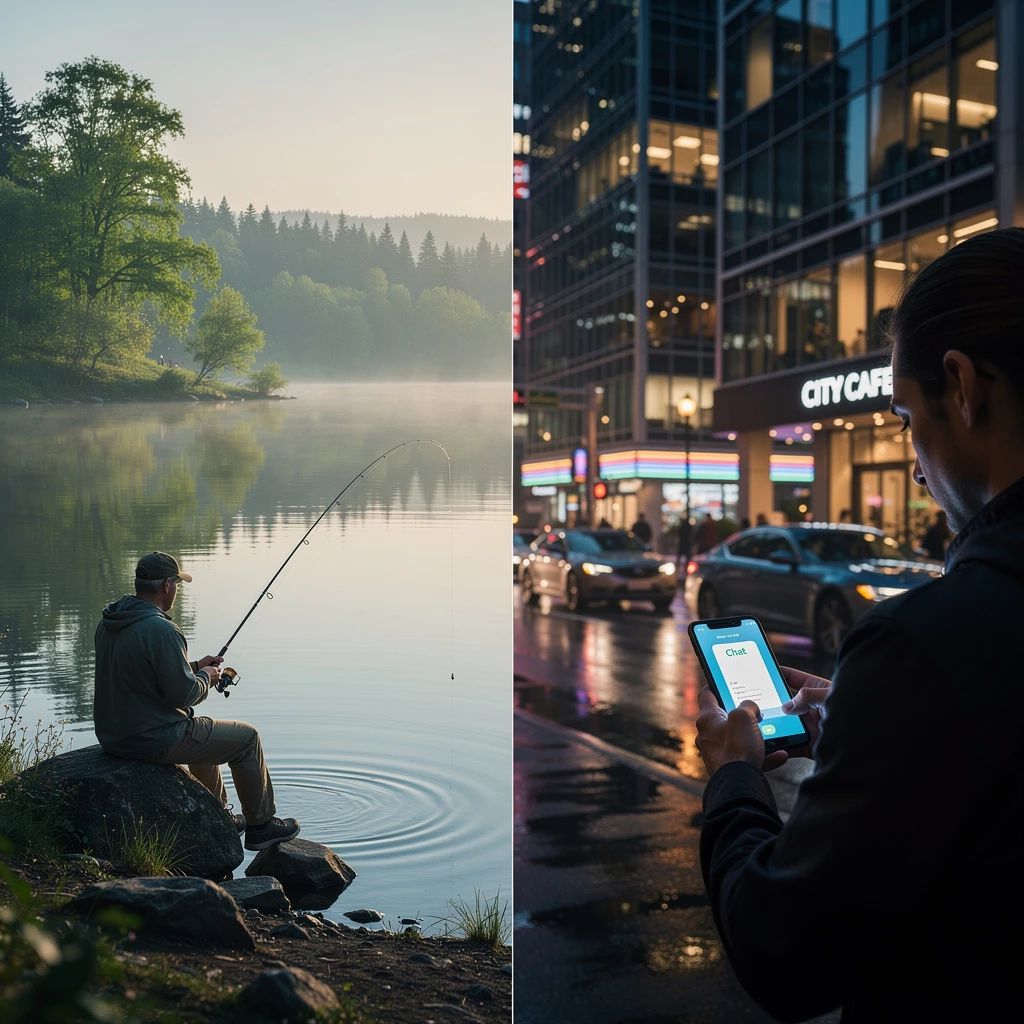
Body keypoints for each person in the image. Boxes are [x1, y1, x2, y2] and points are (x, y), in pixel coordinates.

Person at [694, 227, 1024, 1022]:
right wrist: (865, 718)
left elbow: (787, 950)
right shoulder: (925, 663)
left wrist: (736, 780)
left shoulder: (923, 644)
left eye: (909, 420)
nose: (914, 463)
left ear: (964, 386)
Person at [94, 551, 300, 852]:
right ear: (167, 585)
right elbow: (183, 695)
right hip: (150, 738)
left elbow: (140, 675)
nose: (177, 589)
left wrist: (193, 667)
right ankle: (261, 826)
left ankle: (218, 817)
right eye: (177, 584)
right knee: (246, 738)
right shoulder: (162, 630)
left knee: (205, 734)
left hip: (114, 735)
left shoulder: (111, 621)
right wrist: (206, 677)